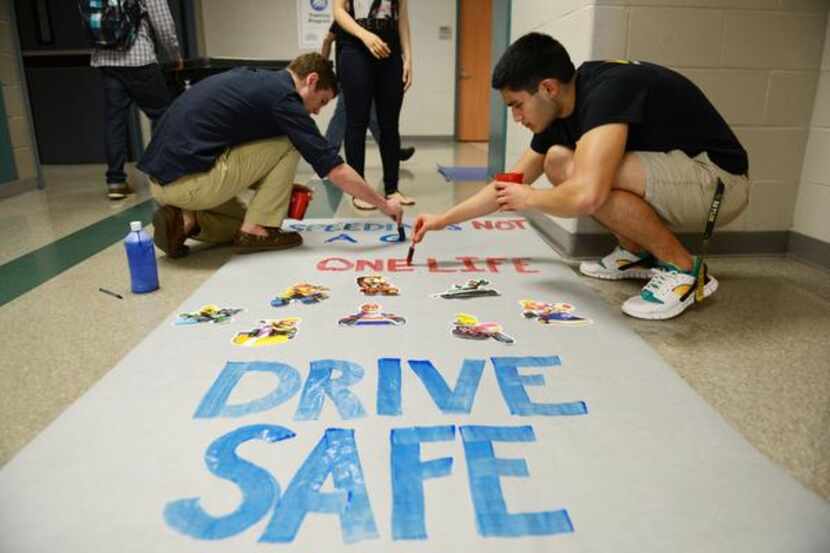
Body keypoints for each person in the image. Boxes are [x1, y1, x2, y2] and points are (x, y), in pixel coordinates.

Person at [413, 33, 750, 321]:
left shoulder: (607, 92)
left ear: (547, 88)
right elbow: (509, 184)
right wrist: (442, 219)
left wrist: (530, 199)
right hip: (683, 176)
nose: (516, 117)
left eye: (517, 105)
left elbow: (587, 195)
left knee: (585, 173)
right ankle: (636, 251)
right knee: (559, 161)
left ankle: (684, 270)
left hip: (718, 182)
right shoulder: (561, 106)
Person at [137, 52, 402, 256]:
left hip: (163, 183)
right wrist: (384, 204)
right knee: (290, 142)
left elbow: (232, 151)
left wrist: (278, 186)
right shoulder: (284, 100)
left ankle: (187, 220)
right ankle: (257, 231)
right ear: (311, 80)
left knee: (243, 220)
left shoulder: (258, 81)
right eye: (321, 101)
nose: (317, 112)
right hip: (191, 183)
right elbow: (335, 170)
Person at [90, 0, 183, 200]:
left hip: (106, 60)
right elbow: (164, 23)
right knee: (163, 115)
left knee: (115, 121)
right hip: (138, 58)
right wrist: (174, 54)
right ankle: (164, 174)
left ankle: (115, 182)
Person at [333, 0, 414, 210]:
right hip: (357, 47)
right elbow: (338, 11)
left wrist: (408, 59)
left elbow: (402, 18)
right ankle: (359, 191)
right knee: (356, 122)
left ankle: (392, 188)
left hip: (390, 49)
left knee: (389, 124)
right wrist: (365, 36)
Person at [321, 22, 415, 163]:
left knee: (372, 117)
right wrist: (323, 69)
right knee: (343, 115)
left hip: (363, 76)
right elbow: (327, 40)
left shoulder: (364, 21)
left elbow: (327, 41)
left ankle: (393, 151)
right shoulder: (344, 19)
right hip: (351, 76)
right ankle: (326, 155)